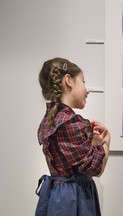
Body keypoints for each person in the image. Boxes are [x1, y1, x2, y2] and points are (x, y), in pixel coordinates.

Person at [35, 57, 110, 216]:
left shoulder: (52, 120)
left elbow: (73, 160)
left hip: (59, 196)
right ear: (68, 80)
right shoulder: (70, 123)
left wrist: (93, 144)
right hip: (73, 199)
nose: (87, 89)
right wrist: (106, 142)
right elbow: (96, 168)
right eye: (83, 81)